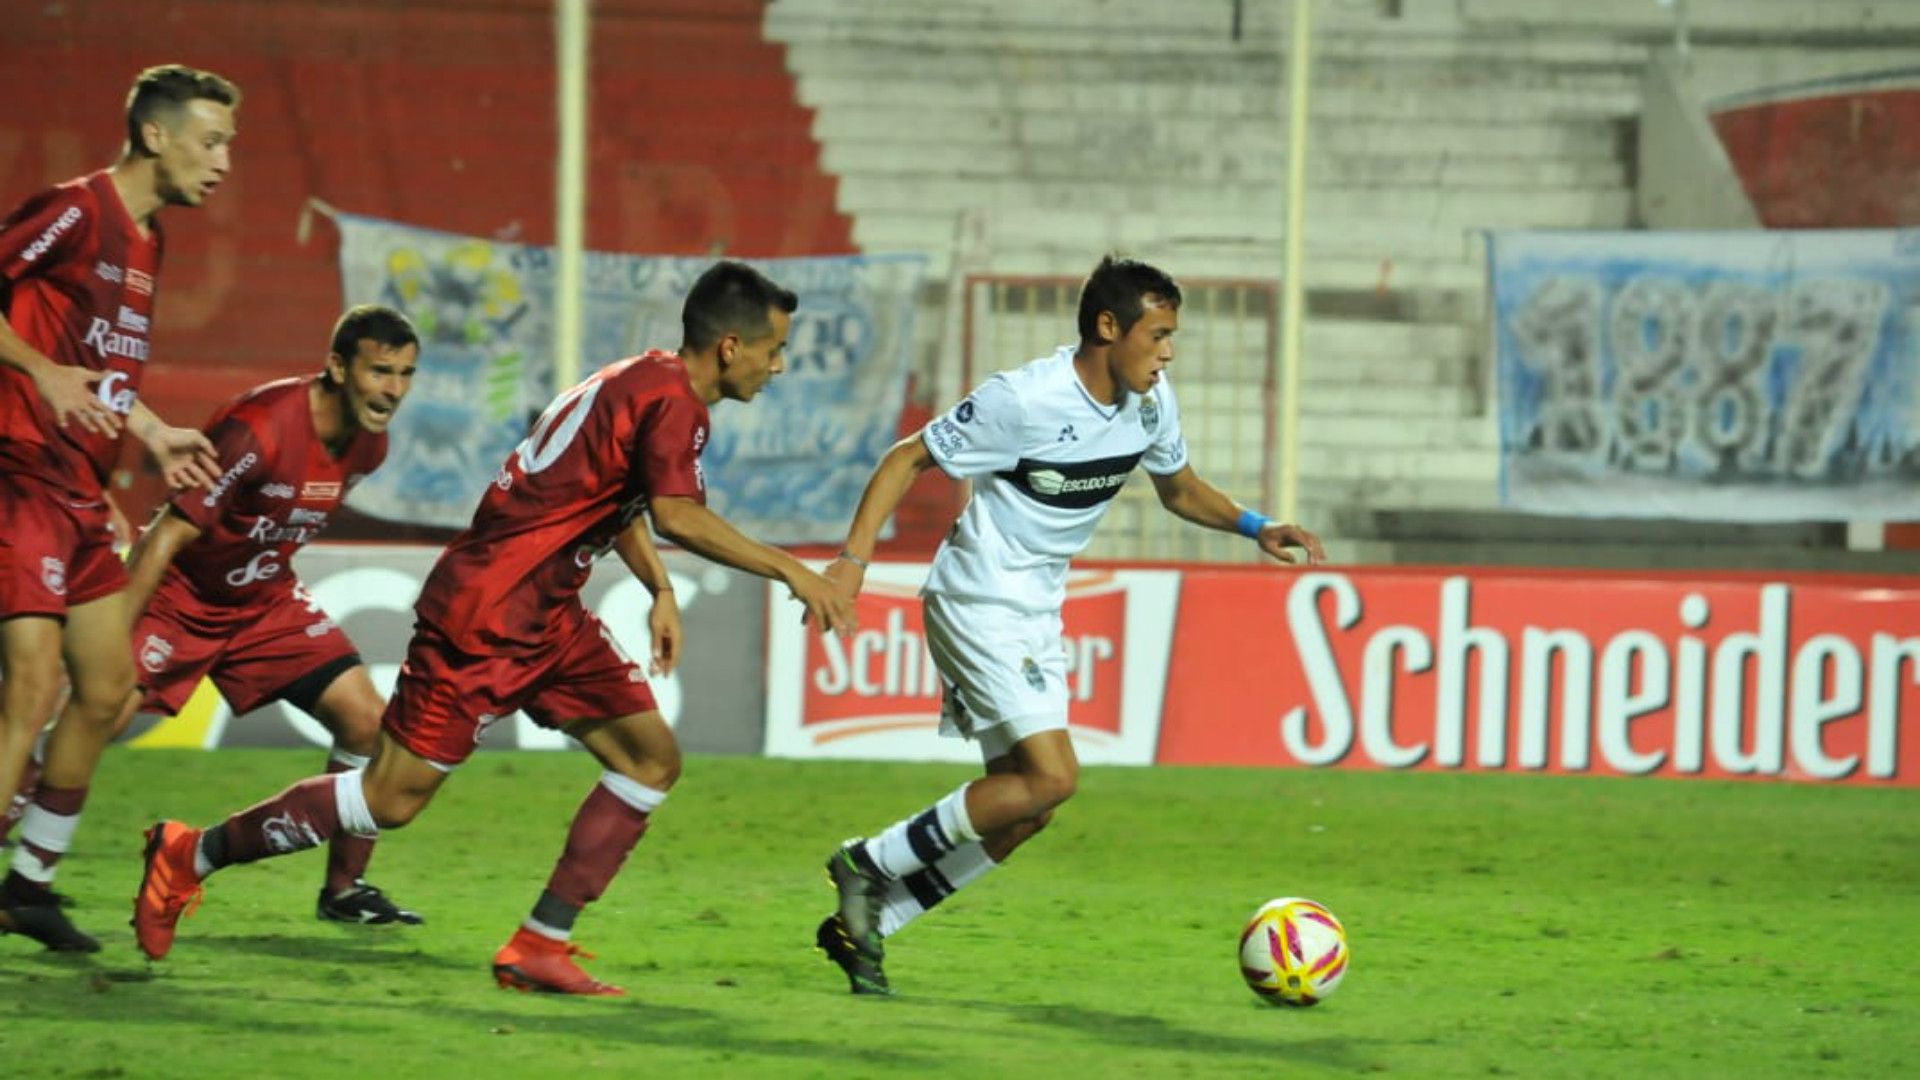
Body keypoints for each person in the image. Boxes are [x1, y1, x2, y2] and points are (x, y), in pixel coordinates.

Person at [134, 260, 856, 995]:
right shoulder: (675, 403)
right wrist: (795, 570)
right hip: (485, 614)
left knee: (649, 759)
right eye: (774, 349)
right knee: (389, 800)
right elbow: (676, 513)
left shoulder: (641, 379)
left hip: (547, 614)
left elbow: (609, 496)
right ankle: (192, 853)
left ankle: (540, 944)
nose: (779, 366)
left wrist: (659, 586)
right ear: (731, 345)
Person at [811, 255, 1326, 995]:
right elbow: (906, 459)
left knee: (1026, 809)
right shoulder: (1024, 399)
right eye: (1159, 334)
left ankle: (871, 925)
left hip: (1036, 608)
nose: (1170, 352)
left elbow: (1177, 488)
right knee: (1053, 776)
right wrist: (852, 565)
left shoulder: (1151, 403)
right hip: (977, 594)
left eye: (1174, 335)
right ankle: (866, 862)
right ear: (1108, 328)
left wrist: (1257, 525)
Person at [3, 304, 426, 925]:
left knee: (367, 723)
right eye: (380, 371)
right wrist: (113, 639)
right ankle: (23, 847)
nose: (392, 390)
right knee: (100, 716)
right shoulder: (260, 428)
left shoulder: (372, 445)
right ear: (337, 367)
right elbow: (167, 536)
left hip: (263, 602)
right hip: (181, 597)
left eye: (405, 374)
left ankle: (345, 891)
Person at [0, 64, 237, 952]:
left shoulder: (148, 239)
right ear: (155, 135)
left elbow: (96, 369)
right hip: (17, 472)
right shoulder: (75, 209)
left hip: (75, 488)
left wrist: (148, 430)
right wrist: (37, 371)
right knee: (31, 686)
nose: (221, 163)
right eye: (210, 142)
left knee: (107, 690)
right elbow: (52, 361)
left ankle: (28, 886)